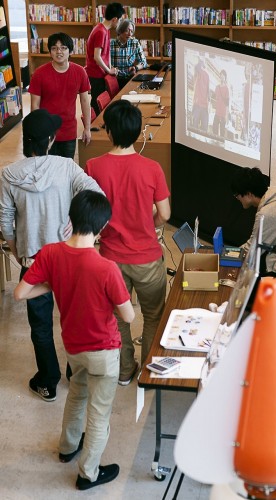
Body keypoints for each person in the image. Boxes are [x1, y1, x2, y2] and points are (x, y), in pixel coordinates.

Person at [14, 190, 135, 491]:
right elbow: (130, 316)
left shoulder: (51, 253)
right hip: (104, 352)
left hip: (73, 347)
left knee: (77, 395)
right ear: (102, 226)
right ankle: (88, 473)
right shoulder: (106, 268)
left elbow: (20, 293)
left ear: (71, 218)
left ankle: (68, 447)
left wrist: (54, 283)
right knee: (99, 412)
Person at [0, 109, 103, 402]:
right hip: (70, 258)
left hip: (34, 261)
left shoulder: (7, 176)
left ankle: (47, 381)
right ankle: (75, 373)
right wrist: (82, 223)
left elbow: (5, 222)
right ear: (52, 140)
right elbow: (97, 195)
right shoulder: (66, 167)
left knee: (41, 325)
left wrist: (17, 250)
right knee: (74, 319)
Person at [85, 99, 170, 385]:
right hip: (146, 257)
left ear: (108, 132)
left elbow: (92, 214)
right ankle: (147, 371)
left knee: (117, 319)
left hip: (110, 258)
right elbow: (165, 214)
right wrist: (149, 225)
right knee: (153, 316)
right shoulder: (152, 168)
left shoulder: (93, 166)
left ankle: (124, 370)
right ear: (138, 132)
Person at [29, 32, 91, 160]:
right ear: (50, 52)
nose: (59, 52)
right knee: (47, 171)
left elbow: (85, 101)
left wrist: (87, 128)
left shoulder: (80, 72)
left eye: (63, 48)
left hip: (69, 131)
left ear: (70, 51)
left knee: (66, 170)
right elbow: (34, 105)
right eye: (54, 48)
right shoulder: (39, 74)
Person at [231, 167, 276, 276]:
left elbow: (252, 249)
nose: (237, 199)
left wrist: (227, 255)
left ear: (249, 194)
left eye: (237, 195)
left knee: (251, 265)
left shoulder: (267, 214)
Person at [85, 2, 125, 116]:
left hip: (101, 71)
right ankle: (93, 126)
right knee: (97, 101)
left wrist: (110, 67)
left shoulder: (104, 29)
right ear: (114, 19)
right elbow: (97, 57)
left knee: (102, 99)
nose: (120, 23)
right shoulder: (100, 31)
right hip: (96, 73)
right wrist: (109, 70)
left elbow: (106, 53)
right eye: (120, 20)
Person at [110, 18, 148, 89]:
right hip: (115, 79)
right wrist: (112, 69)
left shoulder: (135, 42)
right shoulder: (111, 44)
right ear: (120, 30)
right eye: (127, 30)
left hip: (130, 79)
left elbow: (144, 62)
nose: (130, 34)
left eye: (132, 31)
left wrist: (136, 67)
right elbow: (106, 64)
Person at [192, 59, 210, 132]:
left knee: (195, 128)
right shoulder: (199, 73)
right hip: (199, 105)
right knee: (202, 130)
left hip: (201, 106)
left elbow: (208, 91)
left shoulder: (201, 73)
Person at [212, 69, 229, 138]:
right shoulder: (217, 87)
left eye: (223, 76)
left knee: (222, 133)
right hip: (217, 113)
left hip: (223, 114)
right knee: (214, 129)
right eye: (220, 76)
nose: (221, 77)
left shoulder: (226, 89)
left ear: (225, 78)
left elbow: (227, 104)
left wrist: (226, 116)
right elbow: (213, 99)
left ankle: (221, 145)